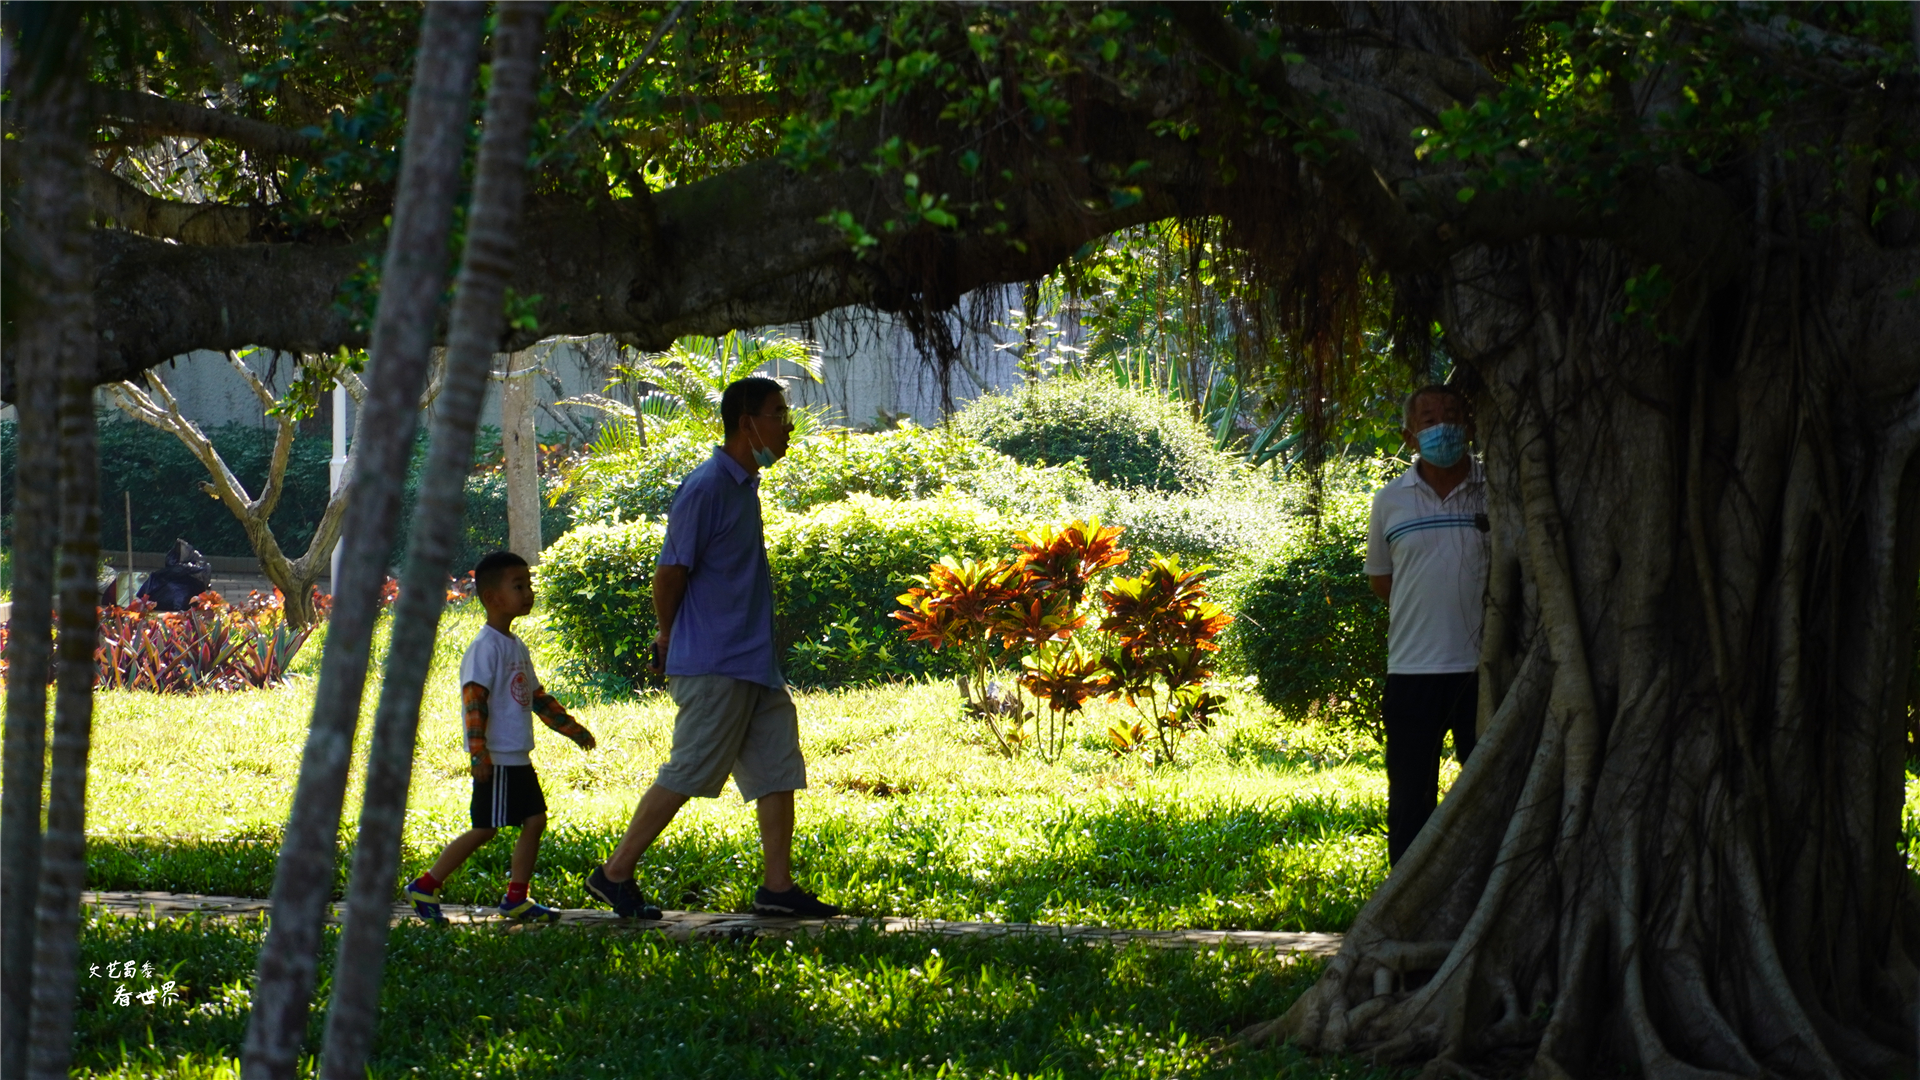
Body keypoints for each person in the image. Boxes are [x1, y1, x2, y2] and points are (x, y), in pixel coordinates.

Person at [584, 377, 841, 920]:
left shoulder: (743, 486)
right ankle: (614, 873)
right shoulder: (706, 487)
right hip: (715, 662)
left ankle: (777, 889)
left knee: (776, 769)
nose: (787, 426)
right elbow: (670, 570)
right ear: (747, 423)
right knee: (691, 769)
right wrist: (665, 635)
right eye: (778, 414)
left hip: (753, 662)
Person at [405, 551, 598, 922]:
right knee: (486, 829)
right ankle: (426, 885)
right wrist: (478, 754)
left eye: (529, 585)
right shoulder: (485, 648)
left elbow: (536, 698)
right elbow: (474, 702)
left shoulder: (515, 645)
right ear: (493, 598)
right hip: (497, 758)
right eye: (518, 586)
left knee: (535, 820)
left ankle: (516, 898)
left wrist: (573, 730)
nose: (528, 593)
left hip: (517, 756)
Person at [1364, 383, 1490, 867]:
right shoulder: (1390, 500)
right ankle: (1408, 896)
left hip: (1483, 669)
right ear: (1409, 434)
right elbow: (1382, 580)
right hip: (1412, 671)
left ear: (1472, 427)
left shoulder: (1495, 489)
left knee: (1485, 792)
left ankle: (1480, 893)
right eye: (1429, 418)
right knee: (1410, 796)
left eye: (1452, 415)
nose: (1443, 427)